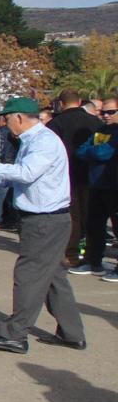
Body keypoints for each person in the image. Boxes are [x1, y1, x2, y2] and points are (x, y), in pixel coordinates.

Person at [0, 97, 86, 354]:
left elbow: (27, 173)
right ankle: (71, 332)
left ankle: (15, 334)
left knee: (29, 276)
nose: (4, 125)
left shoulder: (43, 141)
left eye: (6, 119)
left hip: (44, 220)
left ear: (19, 118)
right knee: (54, 277)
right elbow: (23, 174)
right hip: (47, 218)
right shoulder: (31, 140)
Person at [47, 89, 102, 267]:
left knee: (72, 216)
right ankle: (92, 255)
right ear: (79, 102)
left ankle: (71, 254)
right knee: (92, 216)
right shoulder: (95, 122)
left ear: (61, 104)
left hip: (65, 175)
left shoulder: (56, 123)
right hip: (92, 174)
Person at [69, 97, 118, 281]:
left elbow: (105, 152)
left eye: (111, 112)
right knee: (94, 226)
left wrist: (95, 152)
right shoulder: (100, 130)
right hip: (96, 185)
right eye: (103, 112)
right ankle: (93, 260)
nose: (105, 115)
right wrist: (95, 152)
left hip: (113, 186)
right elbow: (82, 150)